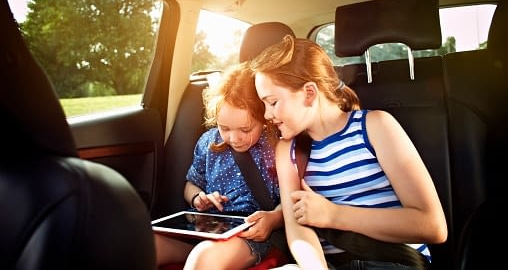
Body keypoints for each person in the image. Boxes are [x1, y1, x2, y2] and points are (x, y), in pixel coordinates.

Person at [249, 35, 448, 270]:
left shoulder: (376, 127)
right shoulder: (288, 151)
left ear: (309, 93)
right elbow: (298, 232)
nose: (266, 115)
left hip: (393, 261)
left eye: (272, 102)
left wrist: (334, 215)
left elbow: (432, 226)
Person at [154, 61, 284, 270]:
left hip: (251, 235)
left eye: (245, 129)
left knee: (203, 258)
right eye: (225, 128)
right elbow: (191, 185)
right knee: (144, 245)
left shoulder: (274, 147)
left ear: (264, 118)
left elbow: (289, 201)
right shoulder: (209, 142)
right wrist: (198, 198)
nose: (234, 138)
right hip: (208, 228)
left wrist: (273, 219)